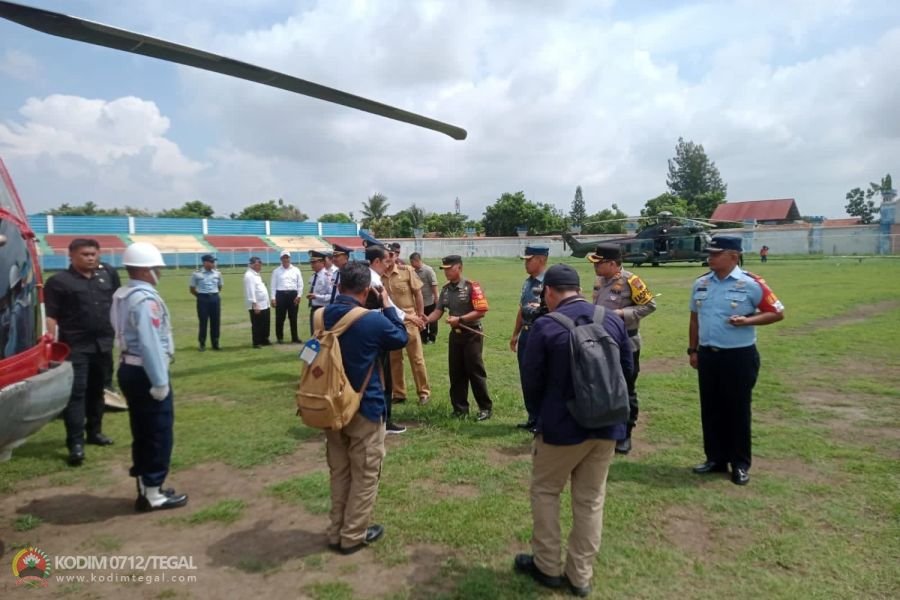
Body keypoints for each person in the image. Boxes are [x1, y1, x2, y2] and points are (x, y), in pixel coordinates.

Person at [514, 264, 632, 598]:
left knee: (546, 492)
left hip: (560, 427)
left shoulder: (546, 326)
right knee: (591, 501)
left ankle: (547, 565)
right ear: (578, 288)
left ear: (549, 292)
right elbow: (626, 369)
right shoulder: (611, 318)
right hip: (607, 423)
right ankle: (580, 575)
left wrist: (539, 416)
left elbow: (531, 379)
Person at [324, 261, 408, 554]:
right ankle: (353, 535)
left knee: (340, 472)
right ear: (366, 290)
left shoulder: (320, 316)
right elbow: (400, 338)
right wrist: (385, 304)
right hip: (364, 406)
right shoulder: (372, 320)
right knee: (366, 472)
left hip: (332, 406)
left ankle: (336, 531)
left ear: (337, 286)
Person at [688, 236, 785, 486]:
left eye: (715, 254)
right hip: (709, 355)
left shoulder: (751, 284)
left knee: (738, 411)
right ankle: (715, 459)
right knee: (710, 410)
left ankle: (740, 464)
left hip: (738, 356)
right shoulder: (701, 283)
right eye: (709, 253)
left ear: (733, 256)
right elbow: (694, 319)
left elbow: (777, 313)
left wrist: (748, 321)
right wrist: (693, 350)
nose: (709, 257)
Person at [111, 242, 188, 511]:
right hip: (145, 370)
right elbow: (150, 343)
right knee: (158, 431)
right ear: (145, 270)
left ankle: (146, 485)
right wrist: (159, 381)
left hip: (129, 367)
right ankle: (154, 492)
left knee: (142, 430)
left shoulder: (123, 294)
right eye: (156, 268)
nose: (159, 273)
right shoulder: (145, 300)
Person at [44, 238, 120, 466]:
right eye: (85, 254)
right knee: (76, 394)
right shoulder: (59, 282)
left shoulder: (107, 274)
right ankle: (75, 443)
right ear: (72, 256)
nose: (90, 258)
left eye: (94, 254)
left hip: (103, 344)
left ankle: (94, 432)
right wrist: (50, 342)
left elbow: (118, 302)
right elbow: (51, 315)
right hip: (75, 346)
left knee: (98, 391)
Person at [588, 243, 656, 455]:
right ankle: (604, 428)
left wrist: (621, 314)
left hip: (625, 343)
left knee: (625, 388)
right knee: (601, 386)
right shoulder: (600, 280)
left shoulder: (631, 281)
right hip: (601, 342)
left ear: (611, 264)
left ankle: (625, 434)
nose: (595, 267)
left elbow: (650, 305)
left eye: (598, 263)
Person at [425, 255, 493, 421]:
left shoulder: (471, 286)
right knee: (456, 372)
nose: (446, 272)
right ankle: (460, 409)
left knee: (475, 372)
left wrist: (460, 319)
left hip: (472, 334)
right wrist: (426, 319)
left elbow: (481, 311)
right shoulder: (446, 289)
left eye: (449, 268)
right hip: (455, 336)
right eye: (444, 269)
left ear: (459, 267)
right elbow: (438, 311)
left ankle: (485, 408)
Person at [365, 245, 419, 434]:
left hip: (368, 330)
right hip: (376, 332)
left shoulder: (368, 276)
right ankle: (384, 420)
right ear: (377, 261)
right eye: (387, 261)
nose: (389, 265)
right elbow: (386, 304)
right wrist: (408, 316)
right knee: (382, 377)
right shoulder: (372, 279)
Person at [383, 247, 431, 405]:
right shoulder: (378, 276)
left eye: (392, 254)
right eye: (386, 255)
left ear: (395, 256)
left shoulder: (407, 271)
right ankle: (399, 393)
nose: (389, 258)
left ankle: (423, 392)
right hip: (390, 323)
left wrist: (420, 315)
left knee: (416, 358)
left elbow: (418, 293)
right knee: (394, 359)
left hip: (410, 321)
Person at [510, 245, 549, 431]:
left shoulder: (551, 281)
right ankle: (533, 417)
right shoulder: (527, 282)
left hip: (542, 335)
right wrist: (515, 334)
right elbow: (522, 309)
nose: (526, 263)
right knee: (527, 377)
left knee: (542, 377)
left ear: (541, 259)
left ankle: (544, 418)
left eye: (529, 259)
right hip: (526, 334)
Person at [189, 254, 222, 351]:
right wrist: (200, 296)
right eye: (211, 262)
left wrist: (213, 295)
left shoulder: (217, 273)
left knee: (216, 321)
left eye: (213, 262)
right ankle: (202, 344)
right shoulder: (196, 274)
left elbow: (219, 287)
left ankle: (215, 343)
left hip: (215, 298)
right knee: (203, 322)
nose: (213, 264)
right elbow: (192, 289)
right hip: (203, 298)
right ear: (205, 263)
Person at [270, 250, 304, 344]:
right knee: (280, 317)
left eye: (287, 257)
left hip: (293, 295)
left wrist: (299, 295)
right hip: (280, 295)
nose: (286, 259)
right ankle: (279, 338)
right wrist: (273, 298)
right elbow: (273, 285)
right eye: (284, 257)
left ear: (290, 258)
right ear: (281, 259)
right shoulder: (276, 271)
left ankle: (295, 337)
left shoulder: (296, 270)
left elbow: (300, 284)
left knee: (293, 317)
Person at [410, 252, 439, 344]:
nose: (411, 264)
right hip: (420, 302)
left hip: (430, 300)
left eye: (412, 262)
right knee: (421, 319)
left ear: (417, 261)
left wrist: (436, 297)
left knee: (432, 321)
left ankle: (432, 338)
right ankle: (424, 338)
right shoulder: (413, 271)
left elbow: (434, 285)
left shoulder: (428, 270)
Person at [243, 257, 271, 348]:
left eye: (260, 264)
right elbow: (250, 290)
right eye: (257, 264)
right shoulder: (249, 275)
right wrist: (254, 304)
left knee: (265, 323)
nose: (259, 266)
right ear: (251, 265)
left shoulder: (256, 274)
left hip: (264, 304)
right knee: (257, 324)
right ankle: (257, 342)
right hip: (257, 304)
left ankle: (264, 339)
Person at [306, 250, 333, 335]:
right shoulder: (313, 276)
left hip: (323, 310)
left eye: (314, 262)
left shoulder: (327, 276)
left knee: (323, 335)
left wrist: (317, 297)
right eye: (311, 262)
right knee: (313, 334)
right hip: (313, 309)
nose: (312, 265)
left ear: (322, 263)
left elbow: (331, 295)